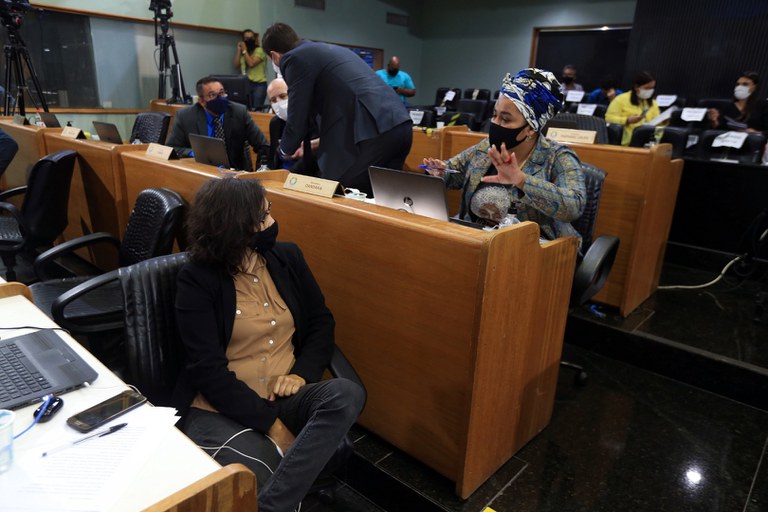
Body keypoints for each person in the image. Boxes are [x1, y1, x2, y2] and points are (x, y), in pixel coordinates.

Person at [175, 178, 365, 512]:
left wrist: (301, 374)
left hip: (285, 397)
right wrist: (273, 427)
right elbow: (207, 371)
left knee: (346, 393)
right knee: (260, 470)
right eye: (263, 217)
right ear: (237, 227)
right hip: (224, 405)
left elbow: (321, 322)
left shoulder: (287, 258)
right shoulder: (196, 278)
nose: (272, 222)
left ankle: (271, 507)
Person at [423, 68, 586, 243]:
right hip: (477, 240)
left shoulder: (558, 157)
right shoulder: (486, 147)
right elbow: (455, 172)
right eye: (494, 115)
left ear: (531, 128)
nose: (495, 123)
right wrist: (440, 173)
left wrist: (522, 180)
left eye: (505, 119)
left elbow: (574, 206)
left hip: (532, 248)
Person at [262, 22, 413, 196]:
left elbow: (297, 119)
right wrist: (315, 143)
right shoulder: (324, 49)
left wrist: (284, 150)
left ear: (274, 56)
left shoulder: (294, 58)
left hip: (374, 131)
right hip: (399, 124)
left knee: (340, 192)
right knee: (384, 198)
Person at [166, 76, 268, 170]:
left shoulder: (239, 112)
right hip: (202, 171)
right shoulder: (186, 116)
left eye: (222, 93)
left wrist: (261, 171)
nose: (220, 98)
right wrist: (195, 153)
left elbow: (263, 146)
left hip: (235, 174)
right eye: (213, 95)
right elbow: (172, 148)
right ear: (201, 101)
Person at [266, 78, 319, 174]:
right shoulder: (275, 123)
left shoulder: (311, 119)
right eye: (273, 100)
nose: (278, 103)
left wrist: (286, 176)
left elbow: (312, 160)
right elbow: (272, 156)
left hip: (303, 176)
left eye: (282, 96)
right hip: (280, 176)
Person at [605, 71, 660, 146]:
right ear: (636, 87)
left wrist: (665, 122)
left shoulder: (653, 103)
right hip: (627, 143)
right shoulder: (621, 99)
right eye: (647, 88)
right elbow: (608, 118)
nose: (650, 91)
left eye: (652, 88)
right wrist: (627, 120)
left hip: (649, 142)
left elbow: (658, 123)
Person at [233, 29, 268, 110]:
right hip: (246, 84)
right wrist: (239, 50)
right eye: (246, 38)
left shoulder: (259, 50)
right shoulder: (244, 53)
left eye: (251, 38)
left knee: (256, 110)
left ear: (255, 39)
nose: (249, 40)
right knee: (246, 109)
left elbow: (251, 63)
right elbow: (236, 65)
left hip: (258, 85)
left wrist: (244, 50)